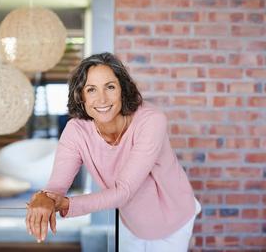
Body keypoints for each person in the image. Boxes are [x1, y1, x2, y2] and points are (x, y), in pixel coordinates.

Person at [25, 52, 201, 252]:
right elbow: (56, 187)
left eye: (110, 87)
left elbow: (123, 191)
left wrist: (65, 204)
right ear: (80, 95)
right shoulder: (76, 130)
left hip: (172, 218)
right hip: (131, 222)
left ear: (122, 90)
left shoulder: (151, 121)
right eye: (91, 89)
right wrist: (44, 197)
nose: (102, 99)